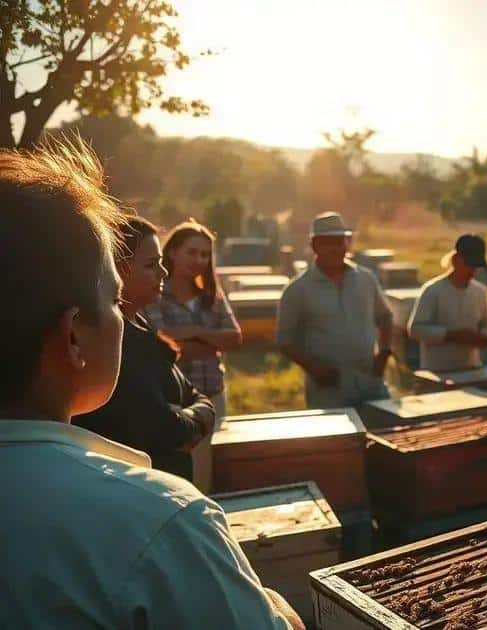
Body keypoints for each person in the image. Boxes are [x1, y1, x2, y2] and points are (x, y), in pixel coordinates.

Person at [0, 141, 303, 628]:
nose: (125, 319)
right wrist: (284, 614)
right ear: (75, 336)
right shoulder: (163, 521)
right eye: (115, 301)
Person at [74, 217, 215, 481]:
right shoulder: (116, 342)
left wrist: (194, 412)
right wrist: (199, 418)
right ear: (117, 271)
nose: (163, 273)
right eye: (152, 265)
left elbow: (193, 394)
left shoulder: (140, 324)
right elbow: (166, 431)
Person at [145, 220, 242, 493]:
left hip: (213, 395)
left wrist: (194, 330)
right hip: (172, 402)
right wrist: (212, 342)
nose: (199, 260)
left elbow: (235, 337)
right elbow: (159, 344)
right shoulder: (155, 294)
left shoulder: (211, 296)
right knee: (177, 477)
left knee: (208, 472)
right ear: (173, 252)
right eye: (192, 252)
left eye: (204, 254)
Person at [277, 212, 394, 408]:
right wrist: (315, 370)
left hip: (371, 383)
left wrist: (383, 355)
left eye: (340, 242)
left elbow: (385, 317)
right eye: (328, 243)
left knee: (384, 433)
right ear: (315, 245)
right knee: (339, 439)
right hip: (329, 391)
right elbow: (285, 341)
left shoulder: (366, 278)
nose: (335, 249)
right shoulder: (298, 289)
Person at [408, 234, 487, 372]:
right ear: (456, 260)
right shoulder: (432, 291)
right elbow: (415, 329)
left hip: (471, 369)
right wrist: (450, 335)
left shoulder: (479, 292)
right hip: (438, 371)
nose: (472, 271)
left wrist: (483, 338)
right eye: (469, 265)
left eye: (475, 267)